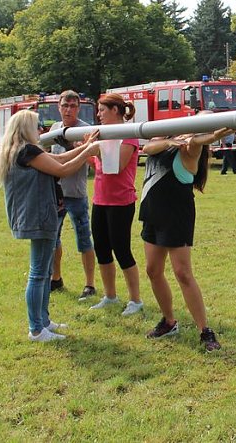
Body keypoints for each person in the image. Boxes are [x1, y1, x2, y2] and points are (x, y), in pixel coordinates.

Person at [0, 110, 99, 342]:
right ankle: (37, 329)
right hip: (39, 215)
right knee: (39, 273)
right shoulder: (27, 151)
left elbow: (58, 160)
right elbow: (62, 169)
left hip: (35, 215)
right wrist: (88, 152)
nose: (41, 129)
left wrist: (85, 146)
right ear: (25, 128)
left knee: (43, 271)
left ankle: (43, 322)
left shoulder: (20, 151)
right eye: (37, 125)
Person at [139, 117, 233, 351]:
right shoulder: (165, 138)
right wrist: (171, 139)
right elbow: (147, 147)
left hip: (176, 217)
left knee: (182, 273)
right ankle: (169, 321)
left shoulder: (192, 149)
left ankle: (205, 331)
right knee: (152, 270)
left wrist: (212, 136)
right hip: (152, 214)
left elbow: (200, 139)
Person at [87, 94, 145, 316]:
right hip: (100, 199)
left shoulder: (128, 135)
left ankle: (135, 300)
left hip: (121, 201)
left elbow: (118, 166)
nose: (99, 114)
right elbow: (96, 166)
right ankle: (110, 296)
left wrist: (95, 148)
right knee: (101, 248)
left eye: (102, 110)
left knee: (121, 250)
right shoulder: (102, 135)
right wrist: (85, 149)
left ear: (114, 110)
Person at [48, 90, 98, 299]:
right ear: (59, 107)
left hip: (76, 194)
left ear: (79, 108)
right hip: (55, 193)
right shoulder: (54, 129)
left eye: (73, 106)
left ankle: (90, 284)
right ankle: (56, 278)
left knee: (84, 239)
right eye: (65, 105)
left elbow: (93, 161)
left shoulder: (86, 130)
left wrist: (76, 146)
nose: (68, 110)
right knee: (52, 239)